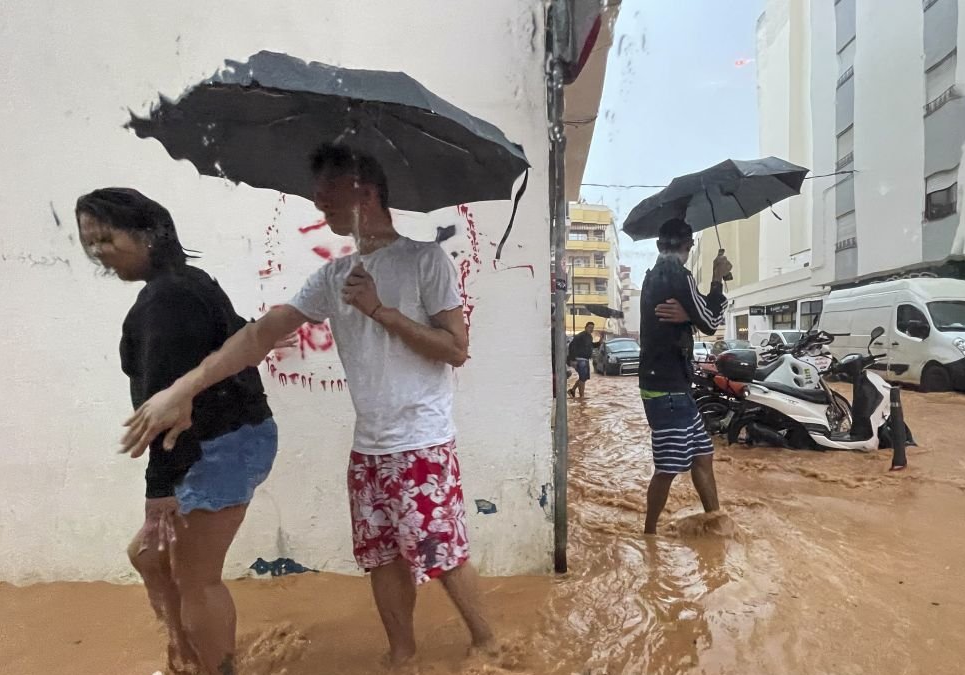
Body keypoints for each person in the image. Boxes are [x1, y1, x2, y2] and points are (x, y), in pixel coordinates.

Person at [120, 143, 494, 666]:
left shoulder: (424, 260)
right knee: (382, 558)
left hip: (423, 442)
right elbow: (260, 336)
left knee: (441, 553)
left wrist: (380, 310)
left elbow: (456, 349)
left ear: (364, 190)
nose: (318, 202)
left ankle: (488, 643)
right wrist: (182, 389)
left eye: (327, 191)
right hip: (369, 448)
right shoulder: (332, 277)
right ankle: (402, 654)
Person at [76, 188, 277, 675]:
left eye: (106, 238)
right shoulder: (186, 283)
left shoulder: (168, 300)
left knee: (196, 578)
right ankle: (186, 652)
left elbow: (167, 413)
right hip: (229, 439)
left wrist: (159, 490)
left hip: (217, 446)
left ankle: (214, 666)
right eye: (88, 242)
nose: (98, 252)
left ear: (149, 234)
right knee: (148, 557)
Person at [638, 218, 731, 535]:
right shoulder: (680, 275)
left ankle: (716, 522)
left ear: (658, 245)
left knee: (703, 456)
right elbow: (711, 320)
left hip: (670, 386)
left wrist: (689, 316)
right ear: (688, 247)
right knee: (667, 469)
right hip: (669, 390)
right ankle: (648, 535)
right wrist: (718, 279)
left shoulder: (652, 278)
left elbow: (690, 319)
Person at [567, 322, 596, 398]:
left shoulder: (589, 337)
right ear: (585, 327)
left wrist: (599, 342)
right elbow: (571, 346)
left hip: (585, 360)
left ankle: (572, 390)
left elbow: (591, 345)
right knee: (583, 378)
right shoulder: (580, 336)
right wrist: (573, 359)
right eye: (589, 327)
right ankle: (582, 397)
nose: (591, 329)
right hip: (580, 360)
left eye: (592, 328)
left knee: (583, 378)